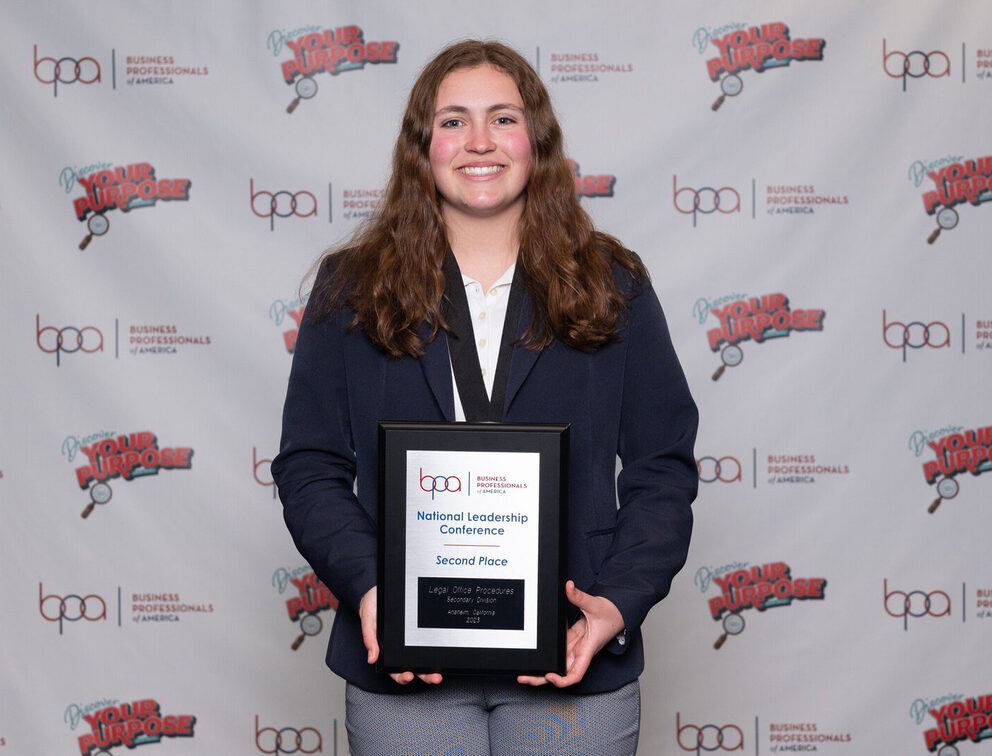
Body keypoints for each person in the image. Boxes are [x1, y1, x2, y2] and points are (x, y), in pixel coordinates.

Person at [272, 39, 698, 755]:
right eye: (452, 122)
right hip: (404, 665)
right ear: (422, 147)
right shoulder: (351, 290)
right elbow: (309, 465)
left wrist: (616, 605)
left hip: (574, 653)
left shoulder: (612, 285)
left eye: (502, 119)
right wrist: (374, 590)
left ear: (537, 140)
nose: (479, 142)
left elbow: (662, 468)